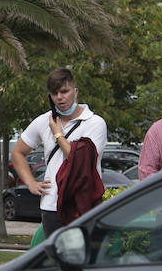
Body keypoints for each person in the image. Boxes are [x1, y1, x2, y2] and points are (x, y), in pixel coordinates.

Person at [11, 67, 108, 236]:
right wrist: (31, 183)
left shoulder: (94, 123)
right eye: (55, 93)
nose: (60, 97)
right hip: (52, 206)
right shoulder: (44, 121)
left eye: (65, 91)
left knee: (83, 259)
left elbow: (79, 160)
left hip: (84, 205)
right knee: (55, 259)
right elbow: (18, 153)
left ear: (75, 91)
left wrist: (58, 134)